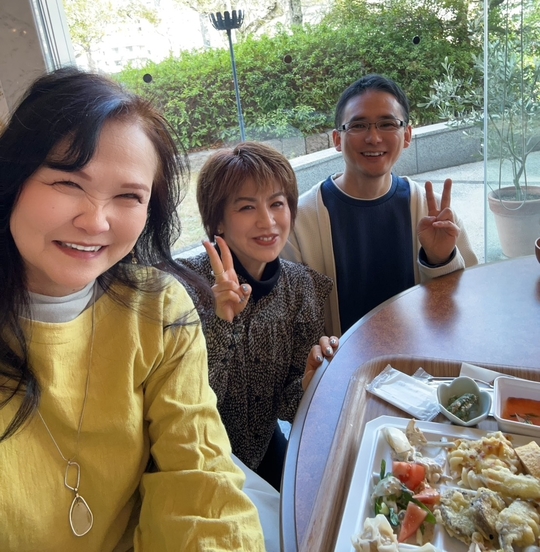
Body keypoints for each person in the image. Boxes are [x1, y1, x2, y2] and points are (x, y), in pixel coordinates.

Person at [0, 67, 266, 551]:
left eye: (128, 196)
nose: (95, 221)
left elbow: (199, 477)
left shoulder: (157, 308)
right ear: (12, 179)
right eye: (68, 183)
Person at [179, 141, 338, 490]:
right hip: (198, 457)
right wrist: (221, 323)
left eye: (277, 204)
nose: (267, 221)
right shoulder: (183, 288)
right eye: (247, 207)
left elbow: (288, 408)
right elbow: (186, 406)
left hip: (264, 448)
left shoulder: (301, 286)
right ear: (218, 220)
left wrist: (310, 382)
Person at [282, 74, 478, 337]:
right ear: (337, 139)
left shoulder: (431, 213)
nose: (373, 138)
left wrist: (441, 260)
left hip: (419, 360)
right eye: (358, 125)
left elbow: (467, 304)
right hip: (338, 362)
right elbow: (290, 322)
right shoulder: (300, 222)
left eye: (387, 124)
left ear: (407, 135)